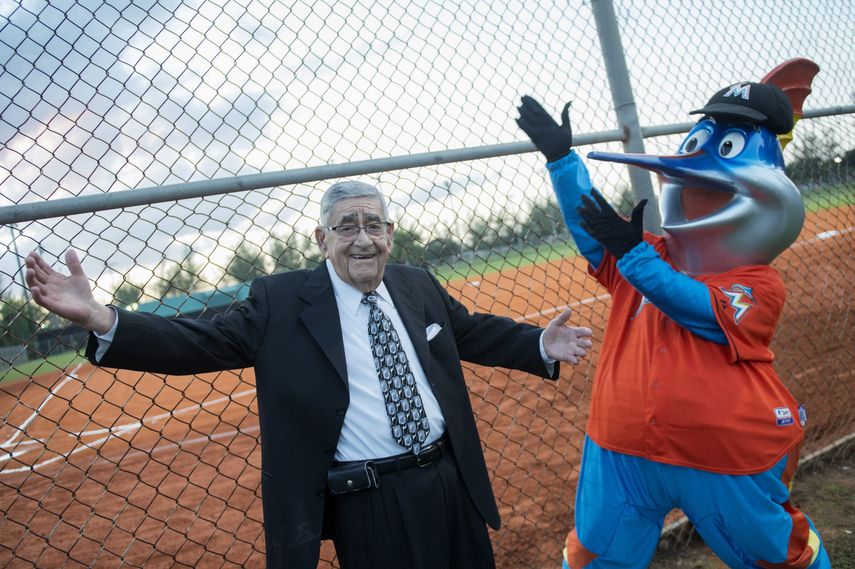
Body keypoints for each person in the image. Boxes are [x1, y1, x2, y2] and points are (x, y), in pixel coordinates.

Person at [26, 179, 594, 569]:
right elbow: (196, 342)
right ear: (322, 241)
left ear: (391, 234)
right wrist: (103, 318)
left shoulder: (416, 284)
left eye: (374, 224)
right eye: (347, 227)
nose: (363, 237)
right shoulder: (280, 303)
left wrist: (536, 342)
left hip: (449, 479)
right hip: (369, 502)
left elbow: (470, 331)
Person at [516, 80, 831, 569]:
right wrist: (561, 160)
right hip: (620, 454)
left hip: (726, 458)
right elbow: (590, 226)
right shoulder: (648, 254)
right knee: (597, 558)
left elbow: (699, 307)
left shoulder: (759, 283)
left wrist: (634, 254)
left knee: (775, 556)